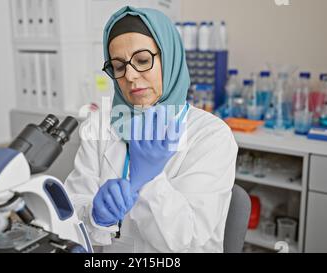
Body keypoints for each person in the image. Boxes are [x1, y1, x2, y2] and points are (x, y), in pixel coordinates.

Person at [65, 6, 238, 253]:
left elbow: (189, 242)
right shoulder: (101, 125)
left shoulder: (211, 136)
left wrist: (150, 179)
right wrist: (95, 215)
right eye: (118, 66)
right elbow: (70, 210)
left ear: (169, 57)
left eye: (143, 60)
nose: (131, 76)